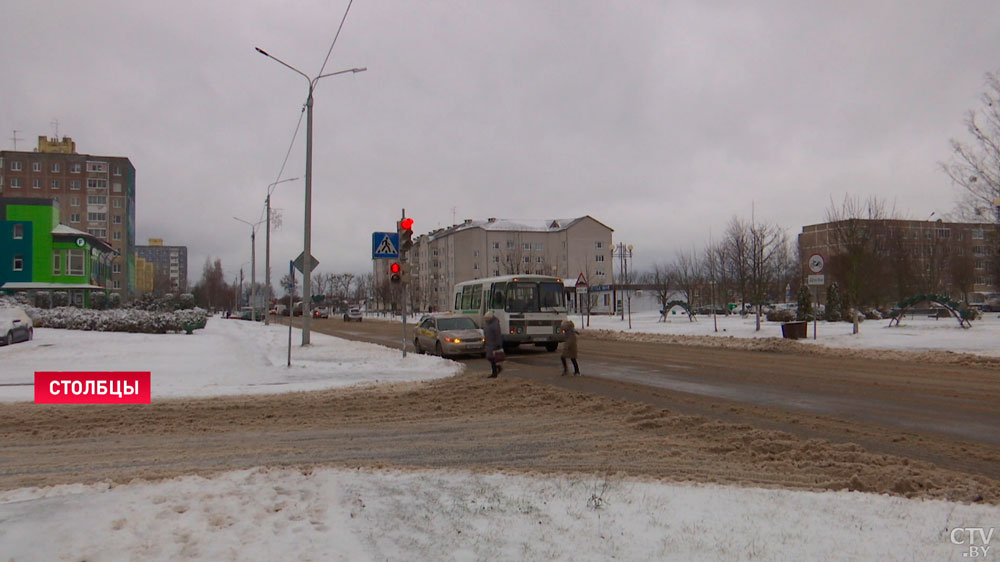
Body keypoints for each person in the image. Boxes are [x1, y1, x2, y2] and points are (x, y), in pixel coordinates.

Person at [483, 311, 503, 378]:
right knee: (490, 358)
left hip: (493, 344)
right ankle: (496, 370)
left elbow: (498, 335)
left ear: (490, 318)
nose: (486, 319)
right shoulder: (488, 323)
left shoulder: (495, 324)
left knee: (492, 358)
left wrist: (498, 344)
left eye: (487, 318)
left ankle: (495, 372)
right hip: (489, 343)